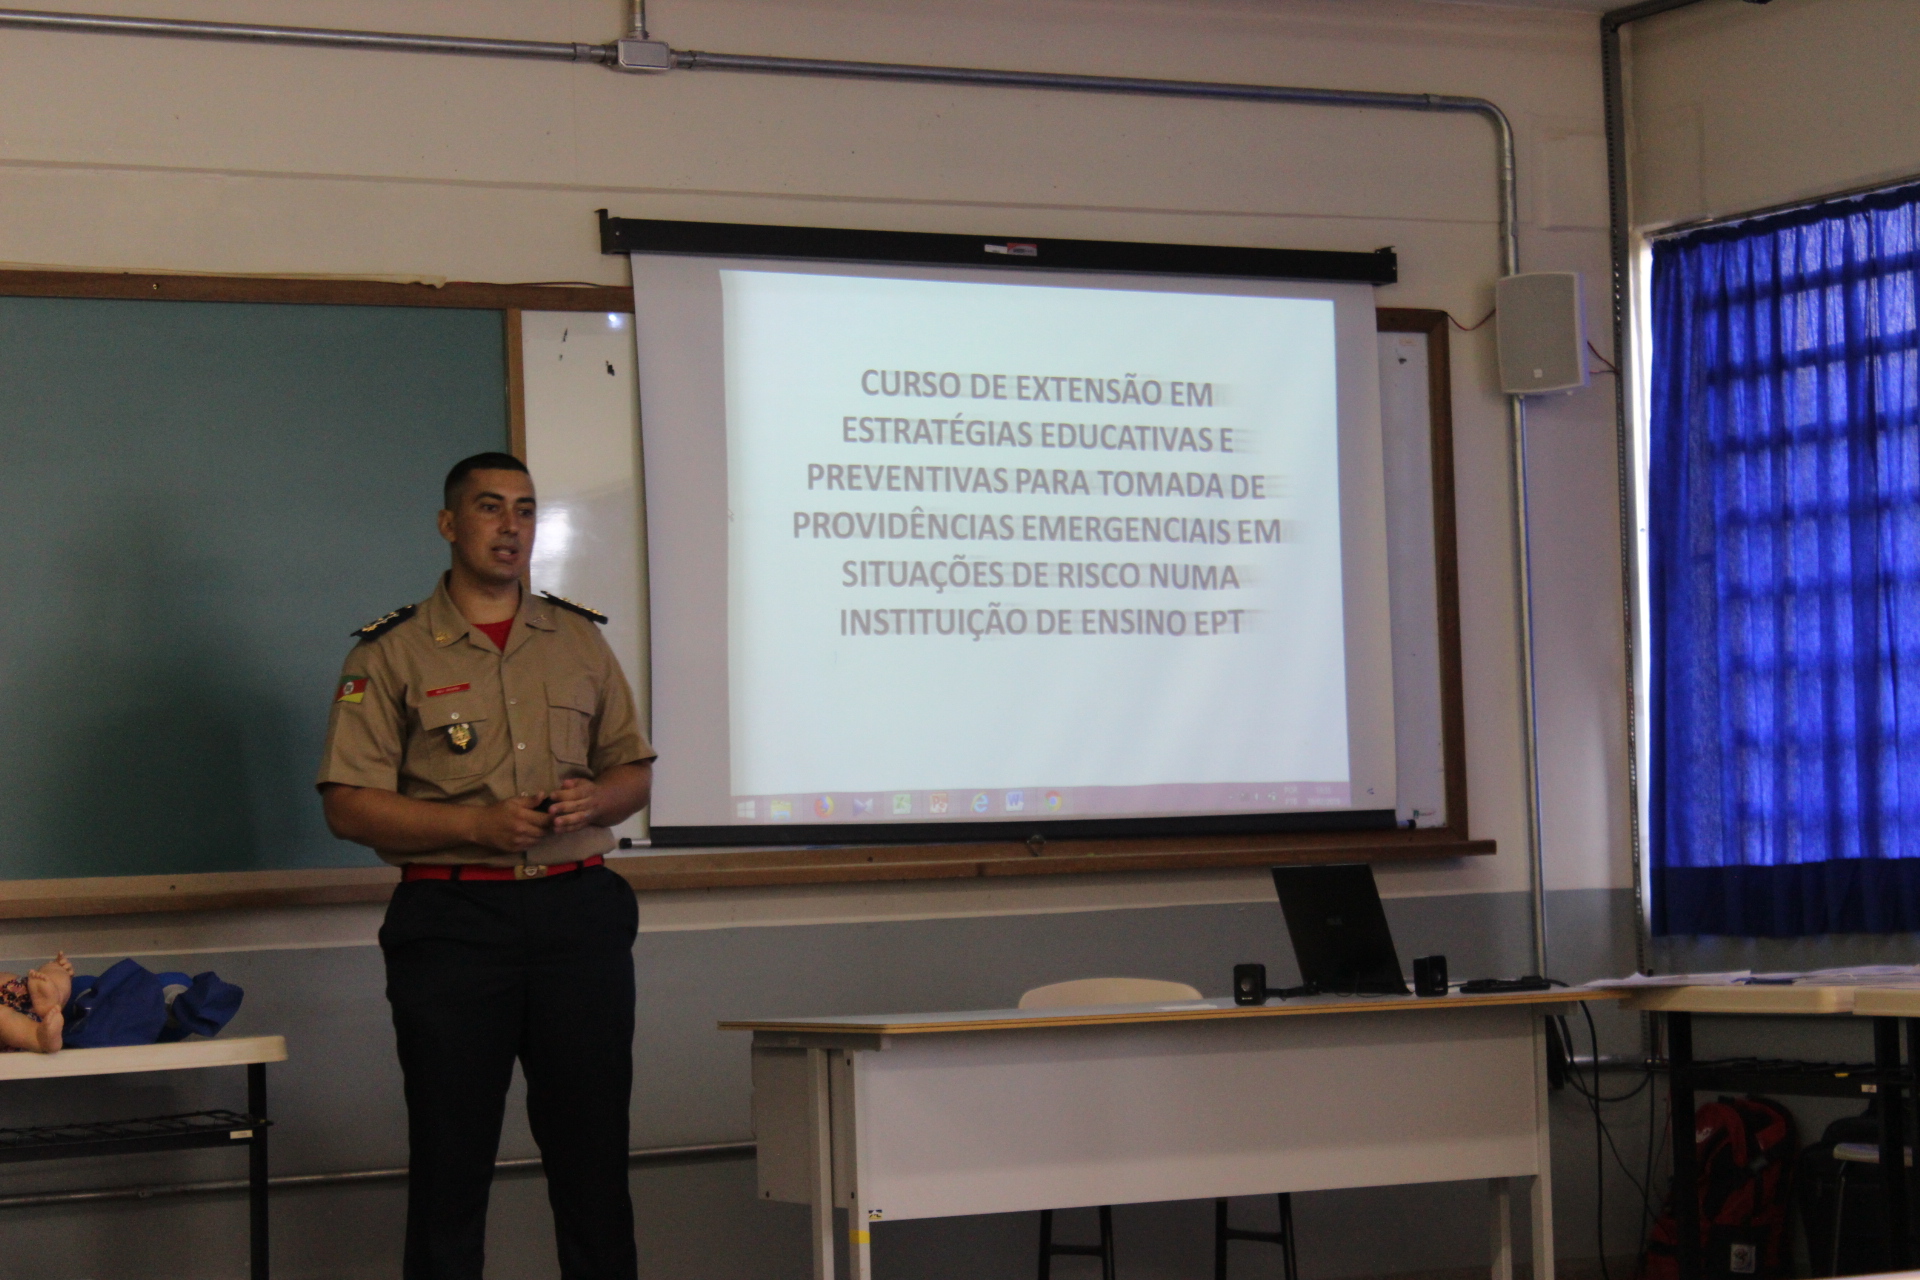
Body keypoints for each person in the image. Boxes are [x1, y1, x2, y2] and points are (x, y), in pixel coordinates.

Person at [317, 452, 655, 1280]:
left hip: (577, 919)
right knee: (450, 1164)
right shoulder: (390, 653)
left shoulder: (578, 639)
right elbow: (347, 805)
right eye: (490, 507)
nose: (511, 527)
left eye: (526, 510)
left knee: (595, 1163)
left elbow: (632, 772)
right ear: (449, 524)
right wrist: (474, 824)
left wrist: (598, 800)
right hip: (454, 925)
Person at [0, 953, 73, 1053]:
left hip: (32, 995)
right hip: (17, 1029)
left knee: (50, 970)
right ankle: (37, 1037)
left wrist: (59, 969)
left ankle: (54, 997)